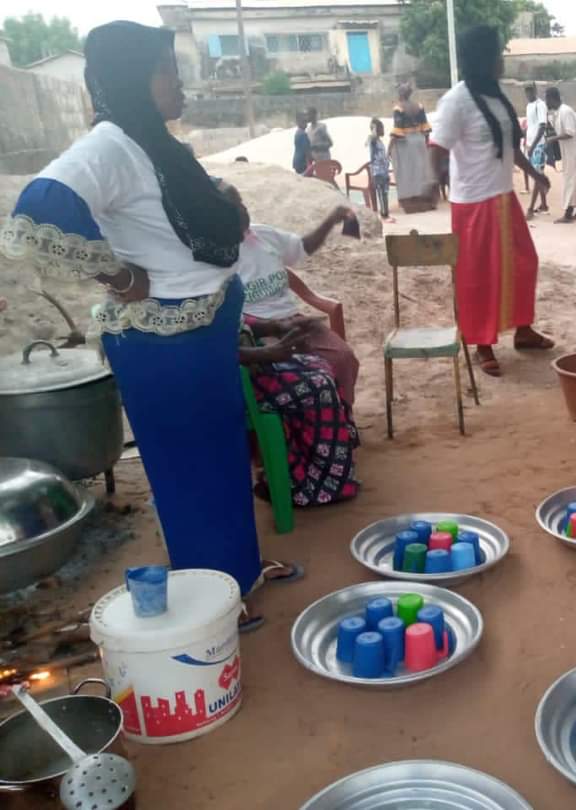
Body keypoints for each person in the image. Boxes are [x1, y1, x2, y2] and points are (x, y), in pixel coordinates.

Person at [0, 21, 299, 630]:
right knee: (188, 470)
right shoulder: (109, 143)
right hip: (163, 343)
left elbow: (183, 220)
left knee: (220, 458)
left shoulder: (153, 143)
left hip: (203, 330)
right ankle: (213, 601)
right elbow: (41, 207)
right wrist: (116, 274)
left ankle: (236, 572)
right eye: (168, 71)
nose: (180, 82)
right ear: (134, 78)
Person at [429, 25, 555, 378]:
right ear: (482, 59)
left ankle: (523, 329)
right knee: (478, 276)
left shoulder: (497, 95)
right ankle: (482, 343)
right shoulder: (456, 100)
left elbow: (510, 147)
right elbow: (436, 148)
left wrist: (536, 174)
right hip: (473, 204)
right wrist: (434, 183)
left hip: (502, 198)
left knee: (524, 261)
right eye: (497, 53)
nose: (502, 59)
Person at [216, 180, 361, 407]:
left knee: (343, 357)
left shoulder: (263, 234)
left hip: (293, 319)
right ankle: (308, 427)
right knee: (302, 373)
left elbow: (302, 248)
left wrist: (332, 219)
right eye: (234, 205)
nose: (243, 209)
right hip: (256, 329)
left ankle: (342, 417)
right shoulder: (215, 256)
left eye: (241, 202)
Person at [239, 321, 360, 507]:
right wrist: (266, 354)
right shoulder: (190, 302)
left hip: (253, 364)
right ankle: (312, 487)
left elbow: (239, 325)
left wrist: (277, 328)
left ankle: (310, 473)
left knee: (319, 365)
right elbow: (213, 351)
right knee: (319, 386)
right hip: (237, 383)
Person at [389, 83, 437, 213]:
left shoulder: (398, 108)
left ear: (400, 94)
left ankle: (411, 204)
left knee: (408, 173)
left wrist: (389, 147)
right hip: (420, 140)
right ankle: (426, 202)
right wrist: (424, 144)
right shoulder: (419, 106)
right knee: (421, 171)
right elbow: (426, 129)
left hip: (406, 143)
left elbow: (398, 130)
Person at [545, 86, 576, 224]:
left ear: (552, 98)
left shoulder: (566, 111)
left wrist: (553, 139)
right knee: (575, 181)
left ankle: (568, 213)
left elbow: (570, 132)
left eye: (546, 99)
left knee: (570, 181)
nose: (546, 102)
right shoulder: (558, 112)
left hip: (574, 152)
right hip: (570, 152)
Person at [366, 117, 394, 222]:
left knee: (385, 192)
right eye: (381, 128)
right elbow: (374, 156)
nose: (383, 131)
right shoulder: (372, 140)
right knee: (381, 193)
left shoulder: (379, 141)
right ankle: (383, 215)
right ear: (376, 129)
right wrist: (374, 128)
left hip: (384, 171)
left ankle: (386, 213)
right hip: (378, 171)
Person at [523, 83, 547, 192]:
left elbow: (542, 127)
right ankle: (541, 201)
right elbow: (531, 125)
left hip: (538, 145)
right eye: (526, 91)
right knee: (530, 170)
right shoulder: (528, 106)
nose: (528, 93)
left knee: (538, 173)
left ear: (535, 91)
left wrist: (533, 146)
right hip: (529, 144)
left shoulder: (540, 105)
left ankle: (541, 201)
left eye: (530, 91)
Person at [292, 110, 311, 174]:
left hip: (297, 162)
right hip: (302, 163)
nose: (306, 124)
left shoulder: (298, 132)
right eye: (303, 121)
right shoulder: (302, 134)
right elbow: (307, 151)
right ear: (298, 122)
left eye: (306, 121)